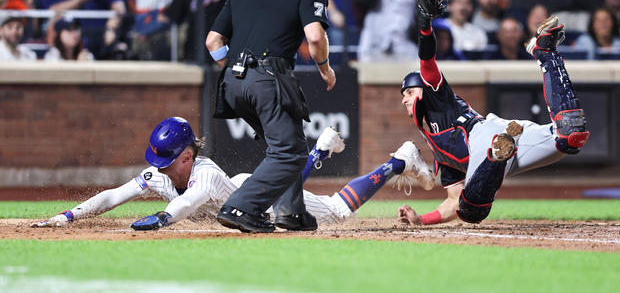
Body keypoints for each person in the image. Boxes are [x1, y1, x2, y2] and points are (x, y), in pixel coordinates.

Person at [396, 0, 590, 225]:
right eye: (403, 94)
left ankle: (496, 155)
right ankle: (545, 54)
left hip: (484, 136)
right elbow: (452, 202)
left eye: (408, 90)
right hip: (507, 134)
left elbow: (427, 59)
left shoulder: (434, 96)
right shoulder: (439, 150)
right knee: (571, 135)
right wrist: (421, 220)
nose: (405, 97)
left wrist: (424, 21)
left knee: (472, 211)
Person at [31, 117, 434, 229]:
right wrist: (69, 216)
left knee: (336, 210)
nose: (157, 167)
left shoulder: (201, 173)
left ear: (187, 156)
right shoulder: (161, 172)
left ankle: (399, 160)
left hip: (258, 203)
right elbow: (114, 195)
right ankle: (321, 149)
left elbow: (189, 203)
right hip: (246, 192)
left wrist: (162, 218)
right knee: (285, 188)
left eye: (167, 159)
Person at [205, 0, 336, 233]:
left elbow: (212, 41)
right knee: (289, 152)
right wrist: (325, 69)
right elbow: (315, 38)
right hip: (268, 77)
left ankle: (290, 213)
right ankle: (240, 206)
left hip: (233, 83)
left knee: (286, 143)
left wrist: (236, 69)